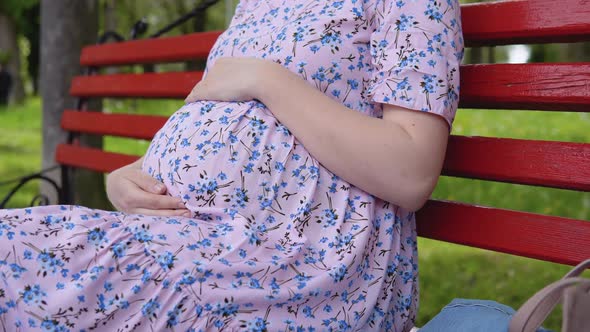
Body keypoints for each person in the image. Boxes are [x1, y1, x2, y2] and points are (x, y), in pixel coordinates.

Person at [0, 0, 463, 330]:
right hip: (192, 234)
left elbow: (411, 169)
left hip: (295, 261)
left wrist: (266, 79)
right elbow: (219, 110)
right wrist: (130, 176)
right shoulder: (255, 5)